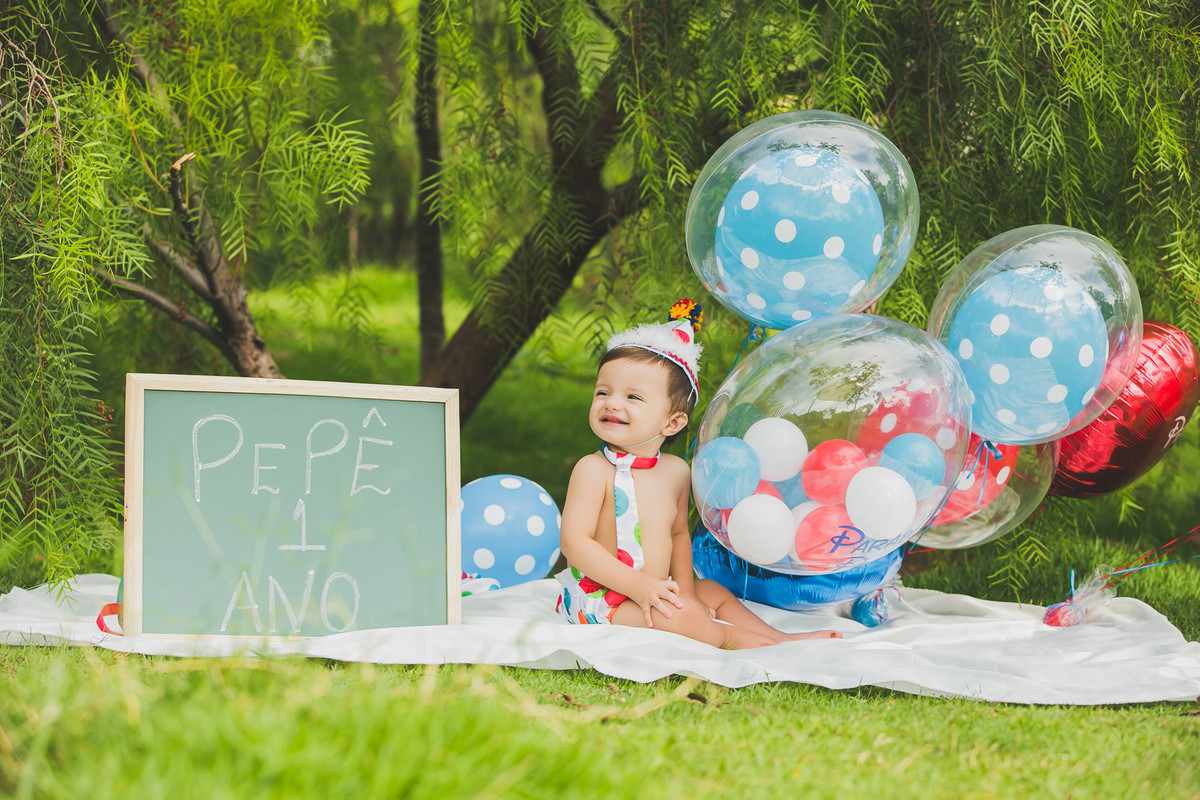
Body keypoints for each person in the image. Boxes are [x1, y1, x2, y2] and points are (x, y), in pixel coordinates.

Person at [555, 300, 842, 648]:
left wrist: (686, 593)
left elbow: (677, 534)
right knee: (684, 618)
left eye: (633, 397)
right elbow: (575, 544)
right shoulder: (592, 470)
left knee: (712, 592)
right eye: (603, 392)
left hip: (656, 591)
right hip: (602, 600)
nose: (612, 403)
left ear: (673, 423)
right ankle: (748, 643)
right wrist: (640, 588)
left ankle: (778, 635)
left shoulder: (676, 471)